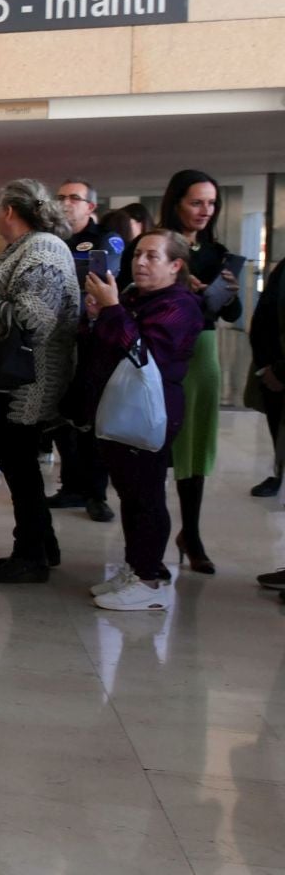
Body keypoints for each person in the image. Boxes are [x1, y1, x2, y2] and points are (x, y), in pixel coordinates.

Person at [0, 180, 80, 584]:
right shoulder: (29, 249)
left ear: (10, 210)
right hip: (14, 377)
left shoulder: (42, 250)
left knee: (20, 468)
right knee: (19, 465)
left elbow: (34, 318)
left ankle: (30, 554)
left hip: (27, 381)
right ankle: (43, 543)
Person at [83, 230, 204, 611]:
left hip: (151, 409)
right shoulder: (137, 297)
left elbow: (141, 354)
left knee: (147, 494)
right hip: (119, 405)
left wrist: (112, 310)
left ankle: (149, 579)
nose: (140, 262)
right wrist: (98, 314)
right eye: (138, 255)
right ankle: (135, 567)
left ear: (175, 265)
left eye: (153, 256)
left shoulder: (180, 305)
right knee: (130, 492)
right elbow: (107, 344)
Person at [161, 170, 242, 573]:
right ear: (177, 202)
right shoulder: (155, 246)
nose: (205, 211)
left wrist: (228, 292)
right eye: (196, 202)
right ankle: (149, 536)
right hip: (162, 347)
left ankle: (190, 533)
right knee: (155, 442)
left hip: (202, 349)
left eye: (211, 204)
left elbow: (231, 312)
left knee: (194, 446)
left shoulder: (217, 253)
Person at [48, 180, 114, 522]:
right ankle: (71, 485)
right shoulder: (51, 238)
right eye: (60, 197)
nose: (65, 203)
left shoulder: (105, 240)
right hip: (58, 337)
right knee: (63, 415)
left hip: (92, 338)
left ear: (90, 207)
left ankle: (96, 493)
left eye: (75, 198)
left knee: (91, 417)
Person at [248, 255, 285, 498]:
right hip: (273, 366)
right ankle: (278, 473)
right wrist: (266, 367)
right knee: (278, 423)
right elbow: (263, 318)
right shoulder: (283, 268)